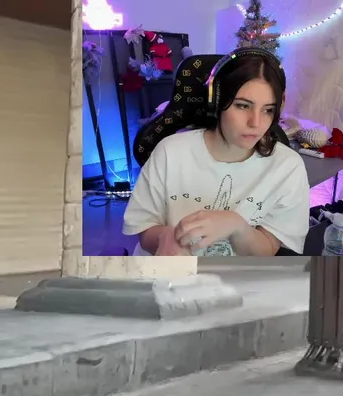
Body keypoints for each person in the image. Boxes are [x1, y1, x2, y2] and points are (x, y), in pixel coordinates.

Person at [124, 49, 308, 256]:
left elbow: (267, 249)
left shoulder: (288, 166)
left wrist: (238, 226)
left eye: (268, 110)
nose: (256, 123)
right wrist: (164, 237)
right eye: (242, 106)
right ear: (216, 101)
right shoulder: (170, 152)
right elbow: (144, 228)